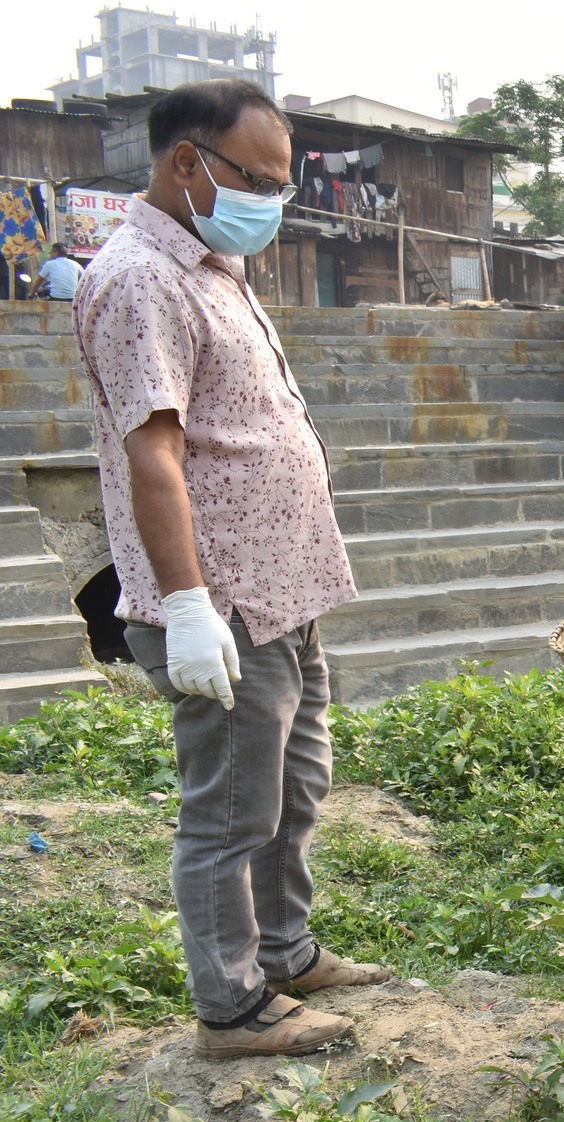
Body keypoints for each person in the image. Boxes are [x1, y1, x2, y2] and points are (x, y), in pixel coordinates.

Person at [71, 80, 388, 1060]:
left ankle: (284, 950)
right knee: (230, 811)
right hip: (222, 601)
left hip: (281, 587)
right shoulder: (140, 281)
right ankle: (232, 1006)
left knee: (294, 786)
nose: (274, 201)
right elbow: (154, 456)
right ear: (187, 163)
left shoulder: (212, 262)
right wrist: (189, 605)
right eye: (260, 179)